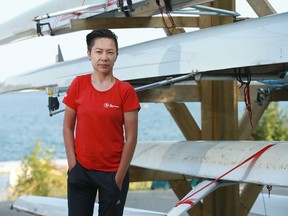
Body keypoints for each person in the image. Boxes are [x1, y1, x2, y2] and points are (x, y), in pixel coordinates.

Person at [62, 29, 140, 216]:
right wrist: (73, 167)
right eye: (99, 52)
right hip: (81, 171)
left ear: (116, 56)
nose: (104, 57)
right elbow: (67, 127)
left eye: (110, 52)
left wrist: (118, 178)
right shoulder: (78, 84)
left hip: (113, 174)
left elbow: (131, 138)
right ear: (89, 54)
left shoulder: (125, 90)